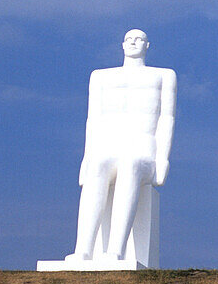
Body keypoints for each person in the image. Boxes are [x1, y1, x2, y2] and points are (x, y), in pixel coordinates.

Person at [66, 29, 177, 263]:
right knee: (97, 166)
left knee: (130, 164)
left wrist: (163, 159)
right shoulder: (101, 77)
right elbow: (93, 119)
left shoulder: (163, 75)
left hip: (142, 150)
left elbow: (167, 118)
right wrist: (86, 158)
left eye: (139, 39)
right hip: (107, 147)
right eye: (129, 39)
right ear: (122, 45)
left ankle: (115, 250)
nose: (133, 42)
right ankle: (83, 250)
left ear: (147, 45)